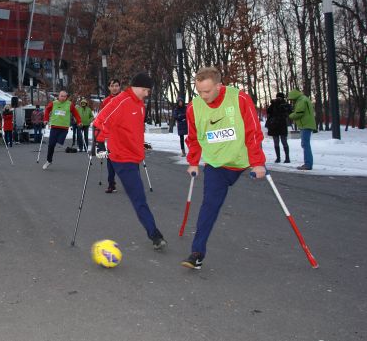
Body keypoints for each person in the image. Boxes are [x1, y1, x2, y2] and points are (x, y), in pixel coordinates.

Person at [180, 67, 266, 270]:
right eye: (199, 91)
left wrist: (258, 162)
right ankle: (197, 253)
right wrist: (193, 161)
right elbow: (193, 137)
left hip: (241, 160)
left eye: (207, 91)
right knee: (209, 205)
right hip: (217, 164)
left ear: (219, 86)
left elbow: (253, 132)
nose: (203, 95)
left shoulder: (240, 99)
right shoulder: (194, 107)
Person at [93, 73, 167, 250]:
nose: (147, 94)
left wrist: (141, 144)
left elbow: (131, 129)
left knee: (138, 197)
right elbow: (100, 122)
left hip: (134, 155)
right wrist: (99, 144)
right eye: (146, 90)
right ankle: (155, 235)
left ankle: (154, 233)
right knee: (139, 197)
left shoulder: (139, 104)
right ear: (138, 87)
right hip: (122, 157)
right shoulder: (121, 101)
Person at [42, 90, 81, 170]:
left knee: (60, 142)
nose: (63, 98)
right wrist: (46, 119)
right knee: (51, 145)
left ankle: (59, 144)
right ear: (58, 96)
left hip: (64, 128)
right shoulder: (54, 103)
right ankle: (49, 161)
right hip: (54, 126)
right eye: (61, 96)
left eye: (64, 96)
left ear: (66, 97)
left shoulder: (69, 104)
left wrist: (79, 121)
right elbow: (47, 110)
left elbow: (75, 113)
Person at [100, 79, 121, 193]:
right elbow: (102, 116)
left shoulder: (125, 98)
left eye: (116, 86)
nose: (114, 88)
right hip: (112, 133)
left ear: (119, 87)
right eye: (112, 86)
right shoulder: (106, 101)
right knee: (111, 158)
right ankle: (111, 183)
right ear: (109, 87)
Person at [288, 89, 316, 170]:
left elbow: (299, 113)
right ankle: (308, 163)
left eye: (292, 99)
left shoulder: (301, 100)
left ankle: (308, 164)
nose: (292, 101)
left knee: (305, 144)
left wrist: (290, 115)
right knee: (305, 144)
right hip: (307, 124)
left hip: (305, 124)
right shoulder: (304, 99)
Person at [266, 92, 291, 163]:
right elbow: (268, 111)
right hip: (274, 126)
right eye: (277, 98)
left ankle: (287, 158)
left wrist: (282, 105)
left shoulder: (285, 104)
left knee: (284, 142)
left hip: (282, 125)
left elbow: (289, 111)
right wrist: (273, 104)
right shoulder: (273, 104)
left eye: (280, 98)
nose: (278, 99)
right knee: (276, 142)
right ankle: (278, 158)